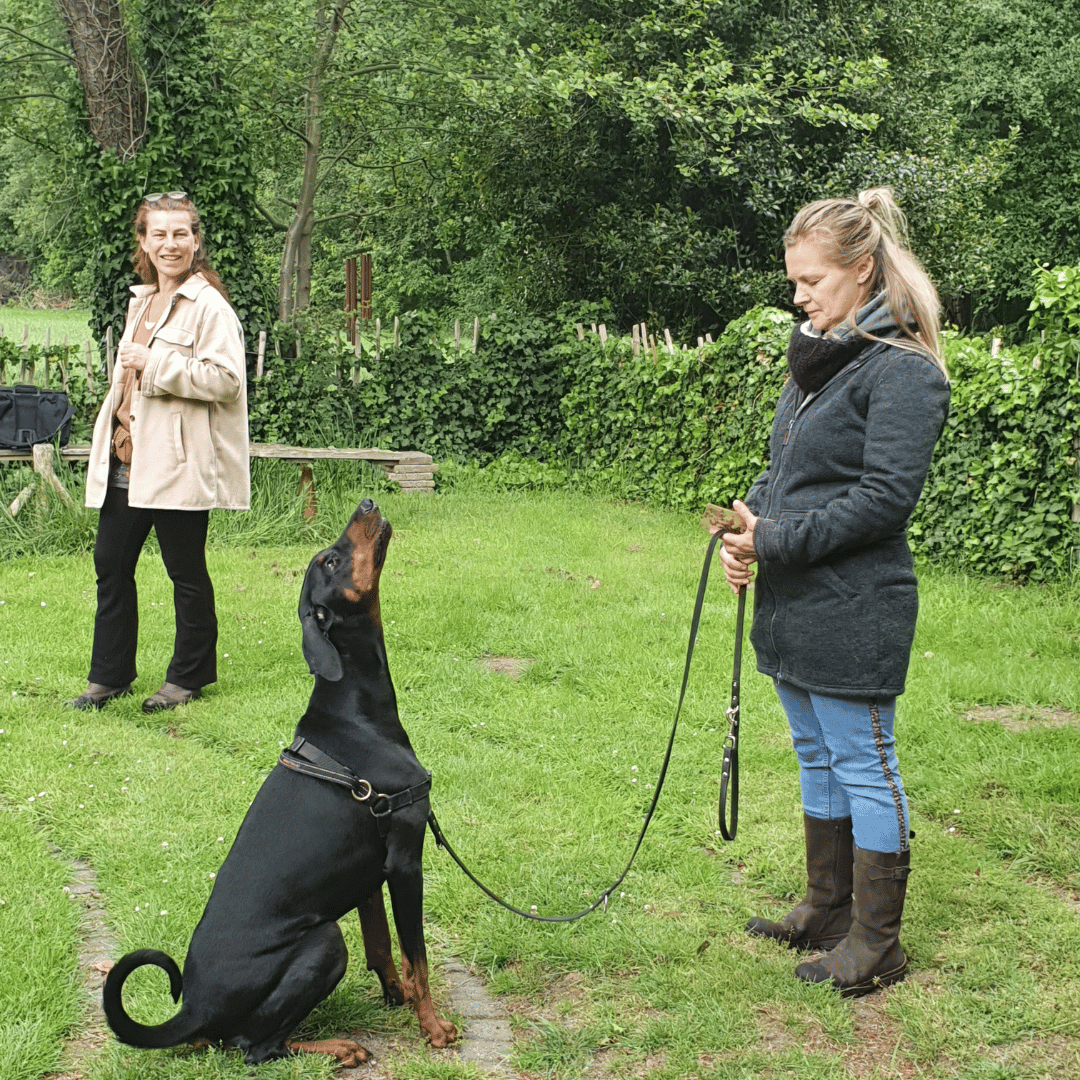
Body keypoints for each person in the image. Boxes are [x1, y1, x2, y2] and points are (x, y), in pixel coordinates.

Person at [715, 188, 949, 996]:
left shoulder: (905, 373)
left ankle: (875, 945)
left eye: (813, 280)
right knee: (817, 755)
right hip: (797, 606)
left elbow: (884, 499)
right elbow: (793, 478)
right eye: (795, 281)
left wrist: (774, 537)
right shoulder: (820, 358)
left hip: (857, 609)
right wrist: (746, 526)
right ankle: (826, 907)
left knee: (864, 764)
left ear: (863, 270)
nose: (799, 295)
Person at [67, 192, 250, 714]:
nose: (170, 244)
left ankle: (188, 677)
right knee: (111, 563)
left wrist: (154, 362)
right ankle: (110, 676)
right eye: (159, 235)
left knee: (184, 570)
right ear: (144, 242)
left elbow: (226, 382)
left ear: (195, 240)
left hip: (177, 462)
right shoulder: (143, 300)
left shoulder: (210, 306)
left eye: (180, 234)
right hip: (129, 458)